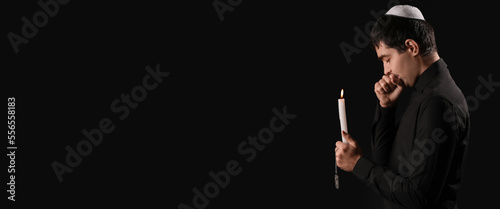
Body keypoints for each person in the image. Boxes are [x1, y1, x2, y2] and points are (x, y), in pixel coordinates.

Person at [335, 5, 470, 209]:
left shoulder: (438, 102)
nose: (386, 71)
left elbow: (419, 196)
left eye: (387, 60)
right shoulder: (424, 92)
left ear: (412, 47)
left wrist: (357, 164)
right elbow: (384, 162)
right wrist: (386, 107)